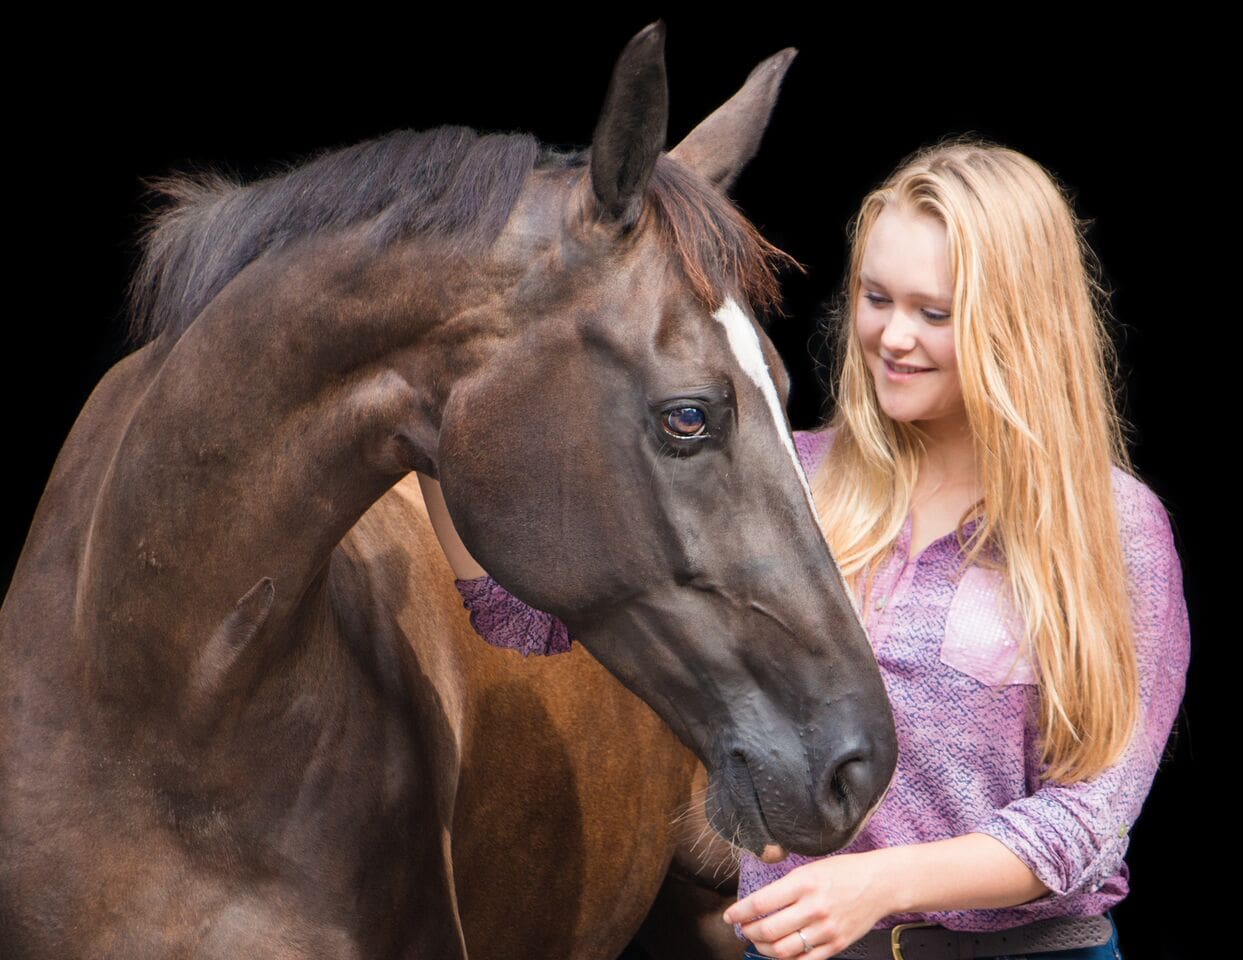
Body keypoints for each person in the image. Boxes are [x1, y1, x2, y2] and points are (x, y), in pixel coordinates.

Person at [416, 137, 1190, 960]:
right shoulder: (792, 483)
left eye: (934, 313)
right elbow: (524, 619)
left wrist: (880, 884)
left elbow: (1090, 820)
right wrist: (430, 421)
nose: (891, 337)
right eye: (875, 297)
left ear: (1019, 324)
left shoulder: (1111, 528)